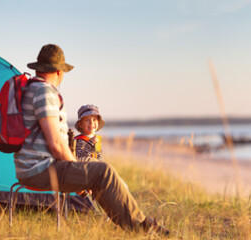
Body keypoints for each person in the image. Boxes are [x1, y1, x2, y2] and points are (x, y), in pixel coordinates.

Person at [13, 44, 169, 235]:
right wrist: (78, 174)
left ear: (38, 68)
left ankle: (140, 223)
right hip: (41, 169)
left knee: (96, 164)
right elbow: (56, 144)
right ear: (59, 72)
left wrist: (79, 172)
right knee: (104, 172)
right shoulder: (44, 92)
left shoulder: (30, 88)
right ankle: (141, 228)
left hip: (34, 167)